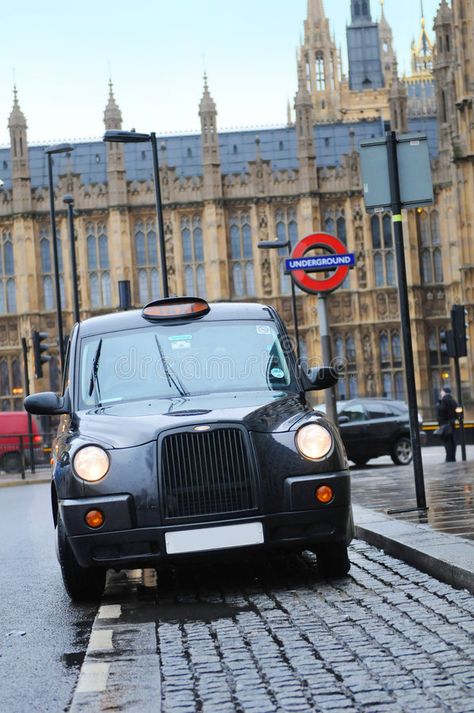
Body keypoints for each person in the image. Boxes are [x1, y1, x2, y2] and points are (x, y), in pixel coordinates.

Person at [436, 387, 458, 462]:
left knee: (446, 442)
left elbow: (441, 411)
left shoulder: (444, 401)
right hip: (452, 424)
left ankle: (449, 458)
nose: (440, 393)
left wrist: (438, 404)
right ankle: (453, 457)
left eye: (441, 391)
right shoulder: (454, 401)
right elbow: (457, 413)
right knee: (452, 441)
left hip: (445, 425)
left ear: (444, 392)